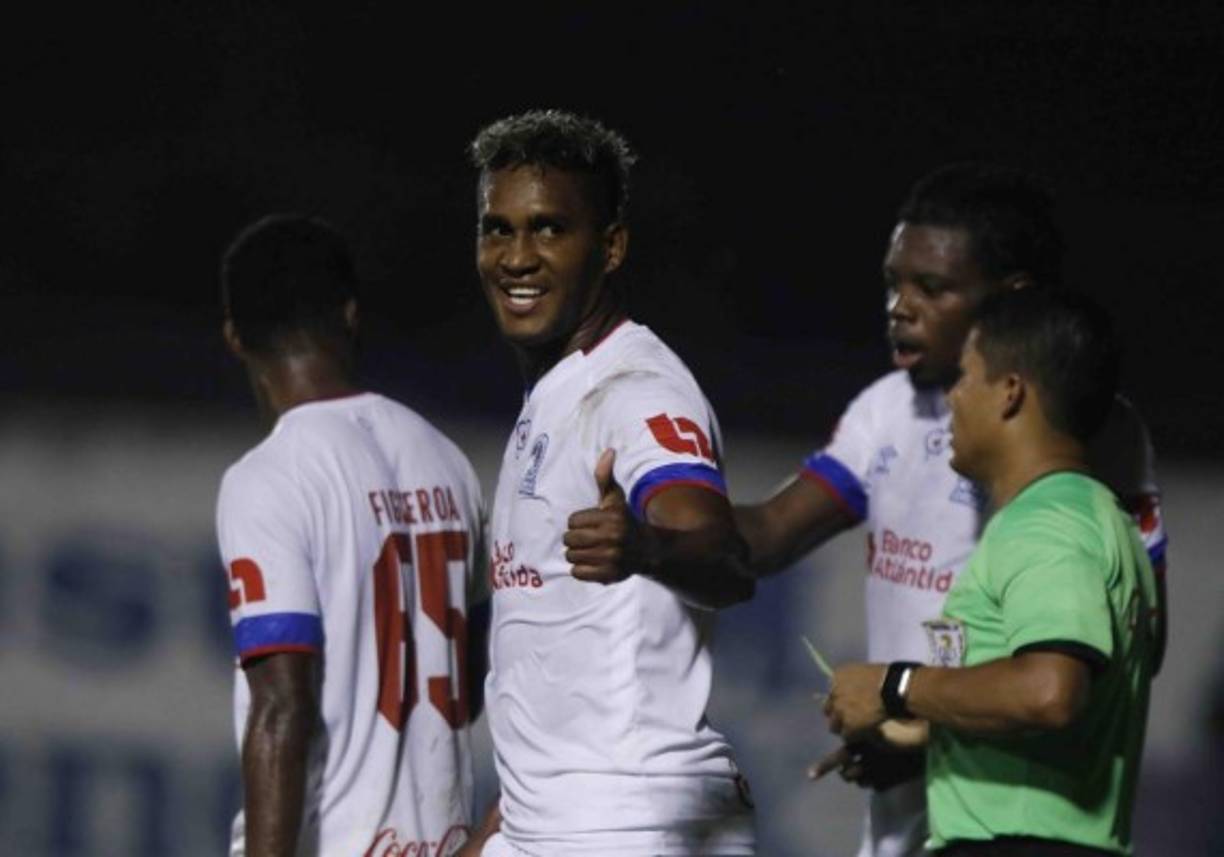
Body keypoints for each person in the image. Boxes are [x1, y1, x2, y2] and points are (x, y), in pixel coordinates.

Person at [734, 164, 1168, 857]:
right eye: (892, 283)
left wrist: (900, 691)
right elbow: (762, 537)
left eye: (930, 287)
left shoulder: (1059, 507)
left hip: (1022, 832)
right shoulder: (894, 413)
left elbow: (1066, 682)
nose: (899, 306)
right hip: (950, 822)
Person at [466, 109, 756, 857]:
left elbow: (723, 557)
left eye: (549, 229)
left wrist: (647, 547)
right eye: (499, 229)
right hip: (557, 823)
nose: (517, 256)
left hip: (629, 827)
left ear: (612, 245)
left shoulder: (636, 390)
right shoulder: (558, 394)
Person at [823, 287, 1160, 856]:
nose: (953, 397)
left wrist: (896, 686)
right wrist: (924, 732)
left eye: (965, 376)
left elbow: (1050, 692)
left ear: (1009, 393)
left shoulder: (1048, 522)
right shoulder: (1104, 520)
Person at [215, 215, 488, 856]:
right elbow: (471, 683)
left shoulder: (269, 478)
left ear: (235, 339)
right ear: (350, 313)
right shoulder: (446, 460)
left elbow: (283, 706)